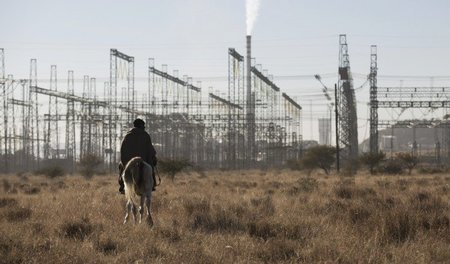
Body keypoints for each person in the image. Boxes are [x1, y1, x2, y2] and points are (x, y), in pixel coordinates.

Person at [118, 118, 157, 194]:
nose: (144, 127)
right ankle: (152, 185)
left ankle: (122, 186)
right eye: (143, 126)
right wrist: (153, 158)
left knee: (121, 167)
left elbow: (123, 150)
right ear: (141, 125)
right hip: (143, 161)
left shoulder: (127, 136)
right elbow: (150, 150)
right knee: (150, 168)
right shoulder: (145, 135)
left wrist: (125, 163)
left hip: (130, 162)